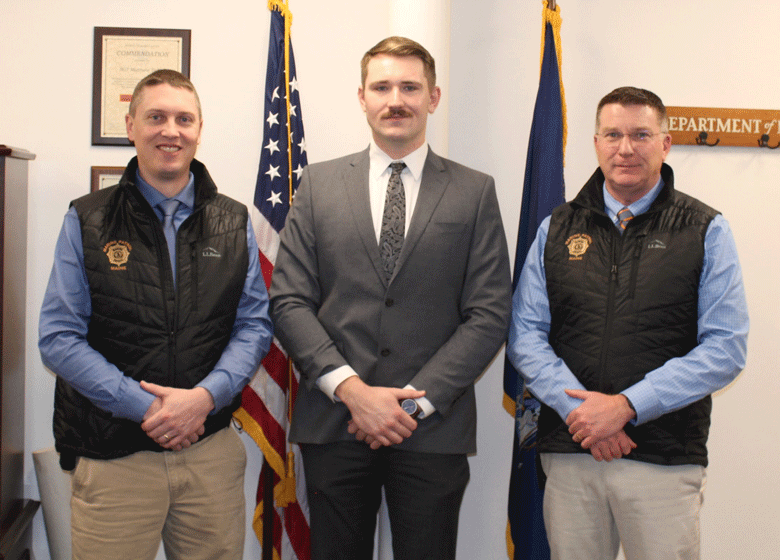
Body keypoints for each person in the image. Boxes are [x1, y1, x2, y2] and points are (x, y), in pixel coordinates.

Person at [269, 36, 512, 560]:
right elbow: (289, 301)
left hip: (431, 428)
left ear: (434, 97)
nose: (394, 99)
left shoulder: (474, 192)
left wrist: (414, 402)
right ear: (362, 97)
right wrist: (354, 392)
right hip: (336, 422)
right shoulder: (318, 184)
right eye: (381, 87)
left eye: (409, 86)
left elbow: (489, 313)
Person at [39, 69, 273, 560]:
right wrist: (146, 407)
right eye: (156, 117)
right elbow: (59, 338)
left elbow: (253, 325)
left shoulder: (234, 223)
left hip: (207, 454)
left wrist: (204, 399)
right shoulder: (86, 218)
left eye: (184, 118)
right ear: (131, 126)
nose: (171, 130)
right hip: (114, 460)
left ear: (199, 128)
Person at [507, 86, 749, 559]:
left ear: (665, 143)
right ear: (595, 142)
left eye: (641, 134)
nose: (625, 148)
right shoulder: (556, 228)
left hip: (662, 460)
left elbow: (725, 347)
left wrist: (626, 406)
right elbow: (525, 335)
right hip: (573, 455)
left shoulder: (705, 228)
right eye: (613, 134)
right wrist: (585, 416)